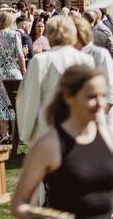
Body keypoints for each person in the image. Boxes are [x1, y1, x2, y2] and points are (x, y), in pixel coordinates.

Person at [10, 65, 113, 219]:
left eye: (103, 95)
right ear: (68, 97)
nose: (100, 103)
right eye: (91, 97)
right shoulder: (49, 145)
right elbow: (19, 204)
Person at [17, 16, 94, 147]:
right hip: (78, 124)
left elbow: (31, 97)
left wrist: (26, 131)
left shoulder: (40, 60)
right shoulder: (85, 59)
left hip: (48, 125)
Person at [75, 16, 113, 131]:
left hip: (103, 113)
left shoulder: (100, 54)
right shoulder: (73, 53)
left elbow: (111, 88)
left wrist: (103, 112)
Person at [0, 11, 25, 142]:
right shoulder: (15, 35)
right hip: (13, 71)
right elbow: (20, 55)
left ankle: (4, 135)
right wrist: (24, 70)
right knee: (16, 103)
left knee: (1, 104)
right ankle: (18, 135)